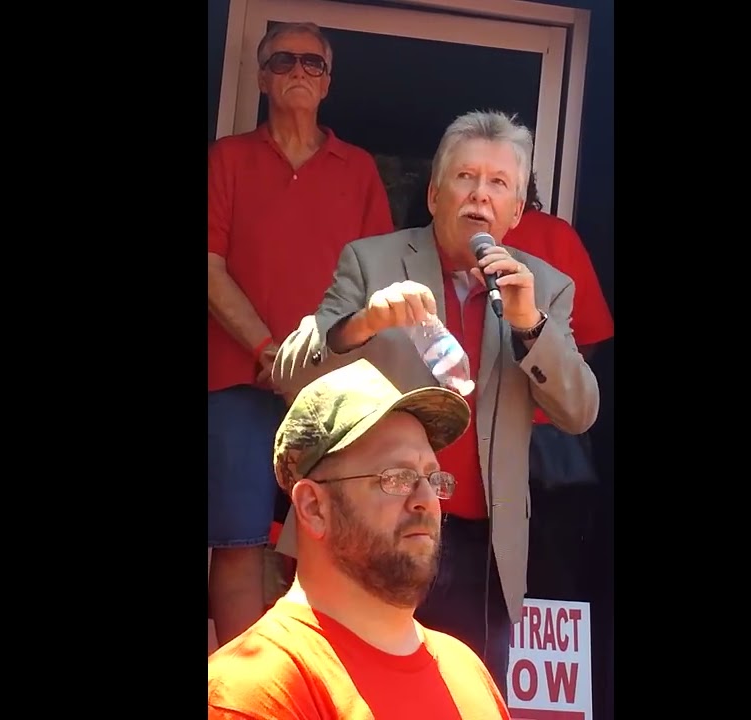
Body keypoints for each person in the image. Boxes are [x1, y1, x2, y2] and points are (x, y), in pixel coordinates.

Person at [271, 110, 601, 694]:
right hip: (372, 529)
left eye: (498, 183)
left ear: (516, 212)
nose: (480, 195)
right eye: (465, 177)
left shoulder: (546, 287)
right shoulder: (371, 261)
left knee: (461, 696)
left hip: (481, 547)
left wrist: (530, 326)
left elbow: (580, 412)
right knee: (352, 695)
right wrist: (363, 324)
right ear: (433, 193)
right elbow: (289, 374)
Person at [207, 21, 395, 648]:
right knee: (236, 542)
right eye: (283, 60)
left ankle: (316, 678)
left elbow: (376, 282)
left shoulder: (359, 168)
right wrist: (269, 353)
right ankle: (239, 686)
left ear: (327, 82)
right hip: (237, 378)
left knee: (331, 540)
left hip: (333, 388)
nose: (298, 70)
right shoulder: (226, 158)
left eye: (312, 63)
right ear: (262, 77)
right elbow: (209, 267)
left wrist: (311, 366)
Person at [208, 359, 511, 720]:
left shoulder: (467, 672)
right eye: (396, 477)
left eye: (433, 478)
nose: (427, 499)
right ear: (313, 507)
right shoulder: (253, 692)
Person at [500, 172, 614, 600]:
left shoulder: (552, 235)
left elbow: (591, 333)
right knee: (549, 579)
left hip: (540, 444)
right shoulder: (557, 235)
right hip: (544, 439)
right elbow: (590, 340)